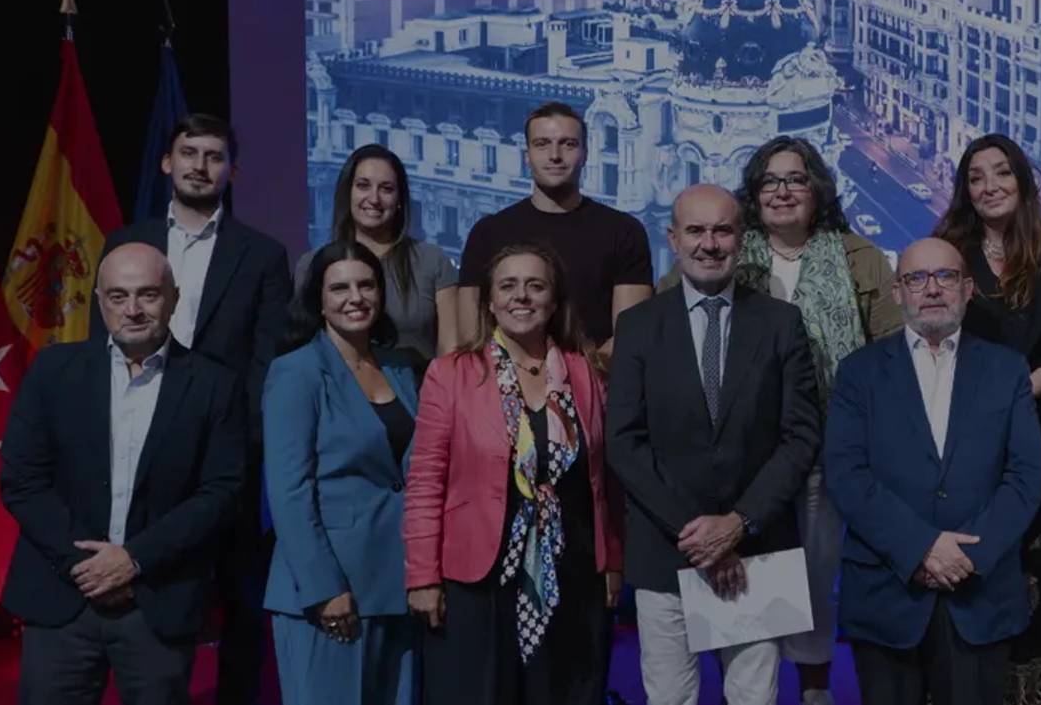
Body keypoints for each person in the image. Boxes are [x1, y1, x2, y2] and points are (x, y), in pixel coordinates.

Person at [657, 136, 902, 704]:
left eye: (797, 179)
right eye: (771, 180)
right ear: (753, 194)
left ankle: (815, 692)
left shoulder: (858, 255)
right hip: (744, 460)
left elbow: (891, 353)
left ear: (818, 190)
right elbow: (666, 316)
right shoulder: (725, 253)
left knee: (815, 585)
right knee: (746, 583)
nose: (784, 190)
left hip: (829, 454)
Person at [94, 114, 292, 704]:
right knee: (152, 588)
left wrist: (242, 443)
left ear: (232, 171)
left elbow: (267, 362)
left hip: (226, 454)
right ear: (167, 162)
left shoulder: (262, 254)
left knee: (241, 600)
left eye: (213, 156)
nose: (200, 166)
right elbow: (100, 347)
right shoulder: (126, 244)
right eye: (189, 153)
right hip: (138, 442)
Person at [0, 244, 246, 705]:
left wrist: (133, 560)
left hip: (157, 601)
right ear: (99, 302)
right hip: (61, 598)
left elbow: (221, 493)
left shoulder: (216, 384)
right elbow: (22, 480)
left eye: (148, 295)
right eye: (118, 296)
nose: (132, 310)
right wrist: (84, 566)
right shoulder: (54, 371)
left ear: (173, 298)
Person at [606, 184, 820, 705]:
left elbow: (801, 435)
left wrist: (738, 524)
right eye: (696, 231)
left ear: (741, 239)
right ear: (673, 238)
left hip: (758, 550)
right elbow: (624, 441)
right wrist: (697, 533)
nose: (709, 243)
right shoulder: (637, 326)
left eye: (722, 230)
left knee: (754, 698)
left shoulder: (781, 322)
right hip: (666, 550)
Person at [823, 237, 1041, 705]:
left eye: (945, 276)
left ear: (967, 289)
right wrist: (920, 547)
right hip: (887, 592)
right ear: (898, 292)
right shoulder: (857, 373)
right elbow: (846, 473)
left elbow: (1024, 476)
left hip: (978, 592)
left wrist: (966, 555)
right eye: (916, 278)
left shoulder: (1007, 370)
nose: (932, 289)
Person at [404, 243, 621, 705]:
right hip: (477, 583)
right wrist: (422, 576)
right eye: (508, 286)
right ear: (489, 301)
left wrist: (612, 561)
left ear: (555, 300)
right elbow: (425, 483)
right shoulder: (452, 374)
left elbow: (603, 481)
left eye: (535, 285)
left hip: (571, 575)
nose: (521, 296)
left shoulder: (585, 375)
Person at [931, 133, 1041, 702]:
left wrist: (1016, 395)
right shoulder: (945, 257)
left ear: (1024, 182)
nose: (989, 186)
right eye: (976, 177)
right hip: (967, 447)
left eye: (1001, 173)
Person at [262, 240, 421, 705]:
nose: (355, 297)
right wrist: (324, 588)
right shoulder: (296, 371)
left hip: (398, 587)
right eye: (340, 288)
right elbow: (289, 491)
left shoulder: (400, 369)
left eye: (366, 284)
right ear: (318, 299)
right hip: (329, 594)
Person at [458, 101, 654, 359]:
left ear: (585, 152)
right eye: (542, 144)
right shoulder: (487, 233)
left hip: (595, 388)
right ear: (527, 154)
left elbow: (629, 336)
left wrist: (575, 381)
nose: (555, 155)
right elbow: (472, 336)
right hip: (504, 391)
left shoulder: (624, 232)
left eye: (568, 144)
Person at [297, 143, 459, 368]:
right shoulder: (311, 264)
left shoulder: (434, 261)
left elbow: (451, 355)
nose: (374, 198)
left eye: (386, 189)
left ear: (400, 200)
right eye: (363, 186)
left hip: (419, 397)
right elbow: (303, 346)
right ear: (348, 192)